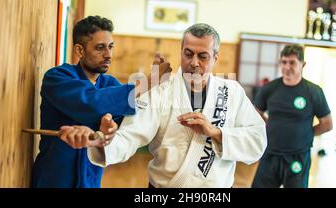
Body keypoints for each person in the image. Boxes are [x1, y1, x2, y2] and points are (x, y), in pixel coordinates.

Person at [60, 23, 267, 188]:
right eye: (188, 54)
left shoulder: (231, 92)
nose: (194, 62)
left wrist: (216, 133)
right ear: (181, 52)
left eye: (202, 56)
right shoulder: (161, 91)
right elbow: (130, 135)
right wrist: (100, 140)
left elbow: (257, 139)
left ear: (215, 57)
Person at [31, 15, 171, 188]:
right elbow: (91, 103)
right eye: (100, 48)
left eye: (110, 47)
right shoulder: (57, 77)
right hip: (53, 178)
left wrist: (111, 128)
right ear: (80, 51)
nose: (108, 54)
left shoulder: (111, 84)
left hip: (90, 180)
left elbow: (124, 127)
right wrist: (150, 82)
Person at [251, 44, 333, 188]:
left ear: (303, 64)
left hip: (298, 157)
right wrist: (269, 124)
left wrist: (307, 133)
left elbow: (327, 124)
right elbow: (255, 112)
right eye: (284, 62)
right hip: (270, 153)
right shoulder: (269, 89)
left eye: (292, 62)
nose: (287, 67)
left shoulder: (313, 91)